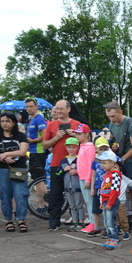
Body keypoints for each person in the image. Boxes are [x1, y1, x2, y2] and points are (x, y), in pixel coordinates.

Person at [0, 112, 29, 233]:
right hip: (2, 169)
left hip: (19, 168)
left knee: (20, 194)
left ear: (13, 122)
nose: (5, 123)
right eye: (2, 121)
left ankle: (21, 219)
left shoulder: (20, 136)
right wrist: (3, 158)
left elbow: (22, 152)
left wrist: (6, 153)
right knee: (5, 195)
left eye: (7, 121)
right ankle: (8, 220)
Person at [41, 99, 79, 231]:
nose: (58, 111)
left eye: (61, 108)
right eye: (57, 108)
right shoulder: (51, 125)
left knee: (75, 193)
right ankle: (54, 222)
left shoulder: (77, 124)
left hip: (74, 163)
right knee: (55, 194)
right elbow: (45, 145)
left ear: (68, 109)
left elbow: (86, 142)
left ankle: (77, 221)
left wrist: (75, 135)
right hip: (56, 164)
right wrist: (57, 137)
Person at [104, 101, 132, 231]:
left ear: (120, 112)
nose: (111, 119)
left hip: (131, 160)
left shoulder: (131, 124)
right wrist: (110, 145)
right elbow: (112, 138)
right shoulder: (112, 124)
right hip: (119, 158)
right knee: (117, 190)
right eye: (109, 117)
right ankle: (120, 220)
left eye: (113, 116)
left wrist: (122, 159)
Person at [97, 150, 122, 249]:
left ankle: (115, 240)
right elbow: (103, 189)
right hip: (106, 202)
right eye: (101, 163)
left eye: (104, 163)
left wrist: (110, 203)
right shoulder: (107, 174)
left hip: (112, 201)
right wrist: (102, 202)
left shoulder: (114, 175)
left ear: (112, 163)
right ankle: (110, 238)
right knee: (107, 223)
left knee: (111, 222)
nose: (102, 165)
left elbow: (115, 191)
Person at [60, 137, 85, 231]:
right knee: (72, 205)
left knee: (79, 205)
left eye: (73, 147)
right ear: (66, 148)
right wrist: (63, 170)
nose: (71, 149)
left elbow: (84, 170)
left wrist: (77, 171)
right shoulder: (63, 161)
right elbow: (58, 173)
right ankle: (75, 221)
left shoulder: (79, 159)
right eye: (69, 147)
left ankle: (81, 221)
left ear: (77, 148)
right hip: (68, 187)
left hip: (77, 186)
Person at [25, 97, 47, 183]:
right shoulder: (32, 119)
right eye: (27, 107)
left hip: (39, 151)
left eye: (31, 106)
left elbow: (45, 134)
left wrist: (33, 141)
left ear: (37, 106)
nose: (29, 109)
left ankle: (43, 196)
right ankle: (41, 196)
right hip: (33, 151)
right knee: (36, 178)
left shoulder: (38, 118)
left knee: (38, 179)